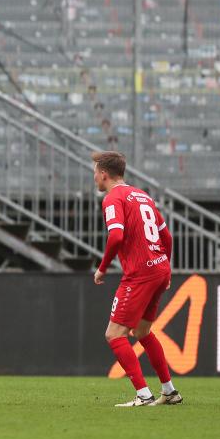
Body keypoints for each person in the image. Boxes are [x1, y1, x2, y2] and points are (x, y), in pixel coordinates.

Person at [92, 151, 182, 407]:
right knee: (142, 331)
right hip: (159, 267)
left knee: (114, 334)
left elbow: (116, 236)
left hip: (140, 273)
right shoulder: (142, 196)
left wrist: (103, 268)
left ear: (104, 174)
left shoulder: (112, 199)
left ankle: (143, 394)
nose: (95, 178)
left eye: (95, 173)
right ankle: (169, 391)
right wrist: (166, 268)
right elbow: (167, 238)